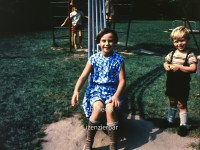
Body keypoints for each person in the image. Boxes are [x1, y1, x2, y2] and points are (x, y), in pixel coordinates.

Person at [71, 28, 126, 150]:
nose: (107, 44)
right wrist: (76, 90)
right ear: (99, 43)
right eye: (103, 41)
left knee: (110, 110)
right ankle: (89, 142)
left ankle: (113, 144)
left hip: (112, 91)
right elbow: (83, 76)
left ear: (115, 43)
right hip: (96, 90)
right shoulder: (93, 59)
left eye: (110, 41)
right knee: (98, 108)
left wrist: (116, 95)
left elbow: (122, 81)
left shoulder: (119, 60)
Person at [163, 26, 197, 137]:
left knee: (181, 104)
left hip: (182, 83)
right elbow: (166, 62)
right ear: (173, 41)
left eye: (182, 40)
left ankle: (183, 125)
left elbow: (193, 68)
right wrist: (167, 66)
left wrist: (180, 67)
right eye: (176, 41)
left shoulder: (190, 54)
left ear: (187, 40)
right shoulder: (172, 53)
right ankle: (170, 121)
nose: (179, 44)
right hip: (171, 82)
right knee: (172, 101)